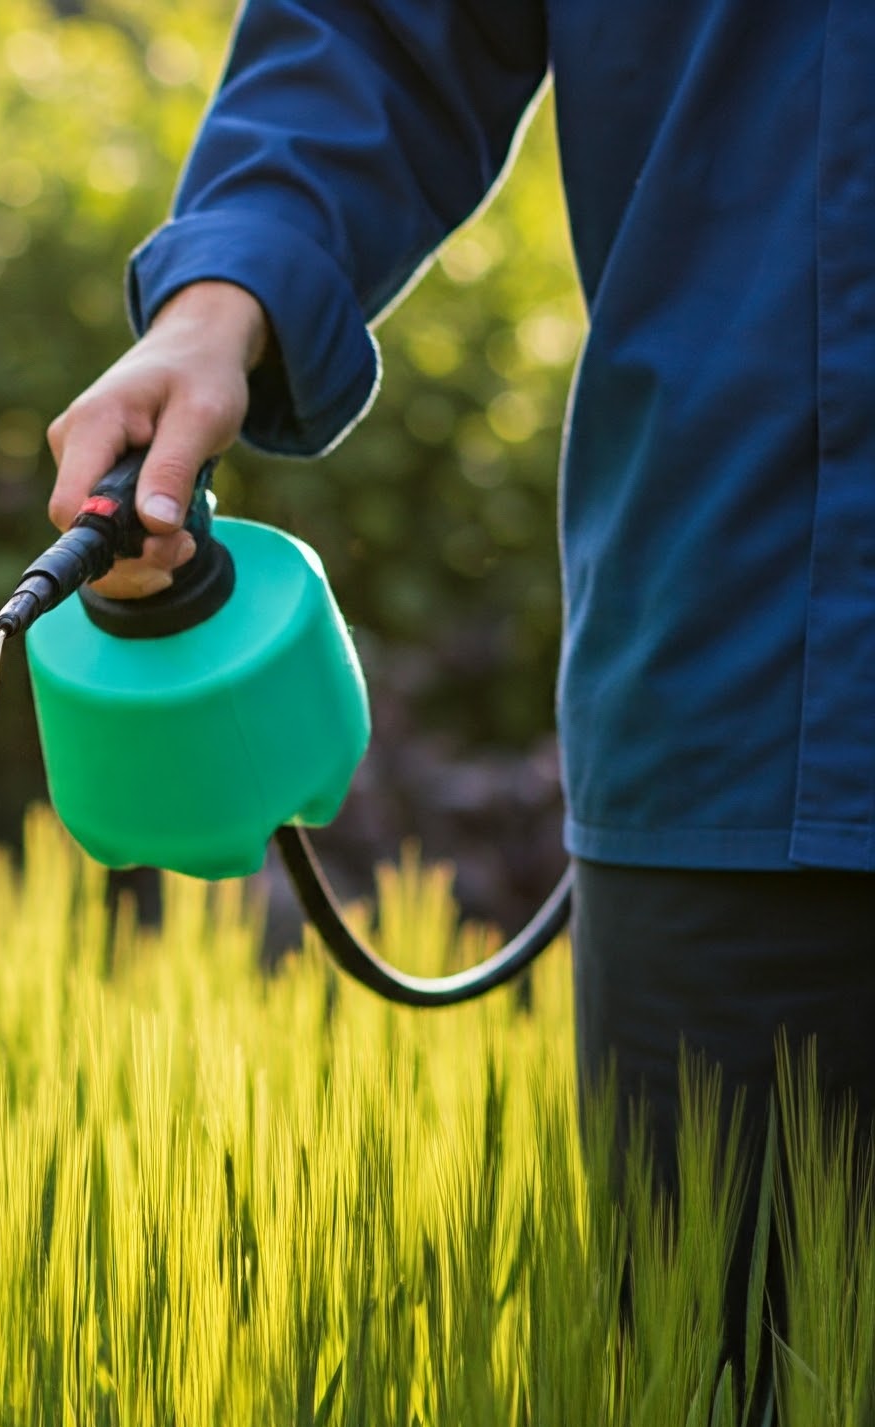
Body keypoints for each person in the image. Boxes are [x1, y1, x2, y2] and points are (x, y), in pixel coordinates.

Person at [45, 2, 875, 1215]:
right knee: (721, 1382)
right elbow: (379, 27)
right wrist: (216, 301)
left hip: (735, 686)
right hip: (737, 705)